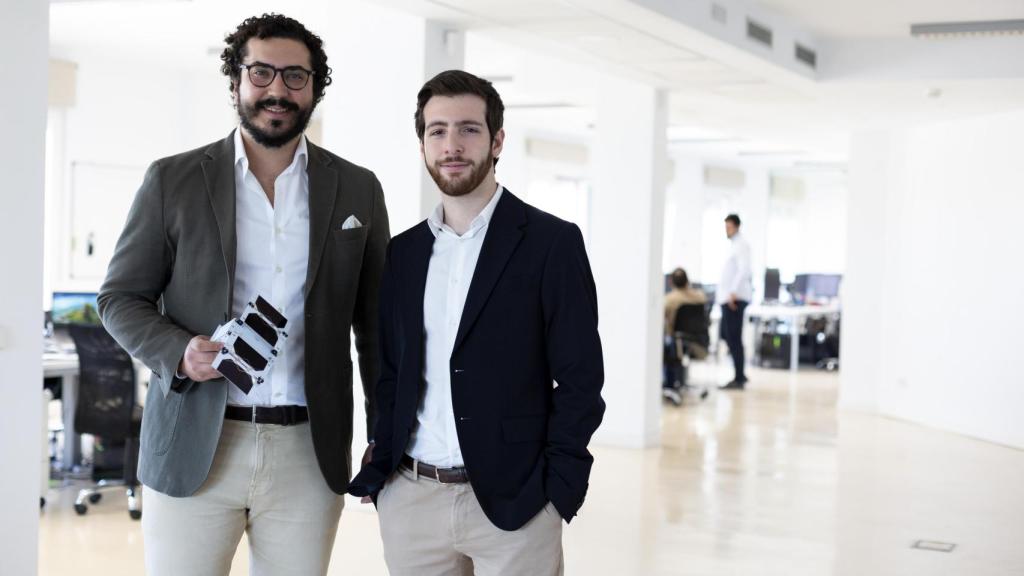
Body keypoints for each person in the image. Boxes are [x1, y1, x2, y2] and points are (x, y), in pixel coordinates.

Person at [97, 14, 389, 575]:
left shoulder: (357, 188)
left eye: (296, 76)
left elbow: (376, 327)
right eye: (261, 72)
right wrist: (178, 351)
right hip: (197, 444)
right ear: (236, 81)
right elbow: (119, 298)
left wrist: (385, 430)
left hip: (309, 450)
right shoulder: (172, 180)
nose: (278, 89)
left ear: (314, 89)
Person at [348, 70, 605, 576]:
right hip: (412, 500)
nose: (452, 145)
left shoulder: (551, 244)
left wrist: (559, 492)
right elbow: (391, 371)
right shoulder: (403, 253)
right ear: (422, 143)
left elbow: (580, 380)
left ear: (497, 140)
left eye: (468, 129)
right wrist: (385, 473)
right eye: (437, 130)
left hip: (517, 505)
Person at [717, 214, 752, 390]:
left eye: (729, 227)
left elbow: (744, 270)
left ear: (737, 226)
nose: (726, 230)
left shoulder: (741, 245)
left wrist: (732, 292)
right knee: (727, 335)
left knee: (734, 338)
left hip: (734, 298)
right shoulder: (734, 245)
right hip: (729, 297)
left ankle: (739, 377)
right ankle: (740, 374)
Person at [663, 267, 707, 393]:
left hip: (678, 344)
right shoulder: (700, 297)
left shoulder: (670, 299)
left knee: (665, 344)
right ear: (687, 281)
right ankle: (678, 383)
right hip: (700, 343)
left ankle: (670, 386)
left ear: (671, 282)